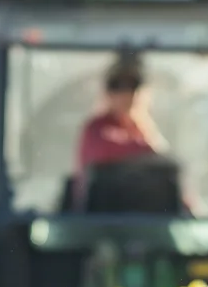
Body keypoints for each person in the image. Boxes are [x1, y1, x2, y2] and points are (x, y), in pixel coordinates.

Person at [71, 54, 170, 210]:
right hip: (100, 220)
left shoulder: (145, 130)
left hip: (144, 218)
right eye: (117, 85)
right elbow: (104, 150)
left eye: (133, 85)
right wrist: (150, 153)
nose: (126, 94)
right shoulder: (95, 128)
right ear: (107, 92)